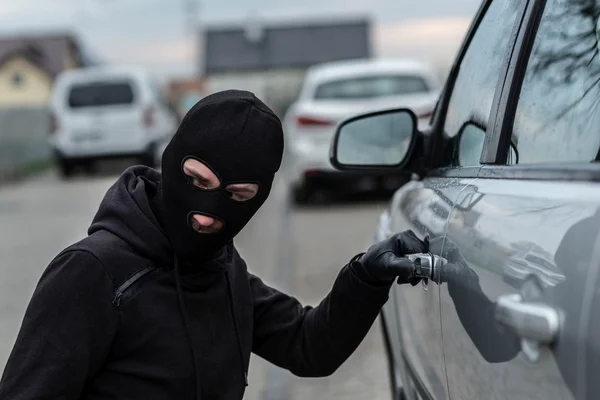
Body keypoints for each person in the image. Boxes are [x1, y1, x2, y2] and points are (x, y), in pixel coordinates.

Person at [0, 90, 428, 400]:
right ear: (171, 160)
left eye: (237, 196)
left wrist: (364, 278)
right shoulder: (92, 273)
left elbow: (307, 346)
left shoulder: (221, 268)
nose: (206, 215)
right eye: (196, 181)